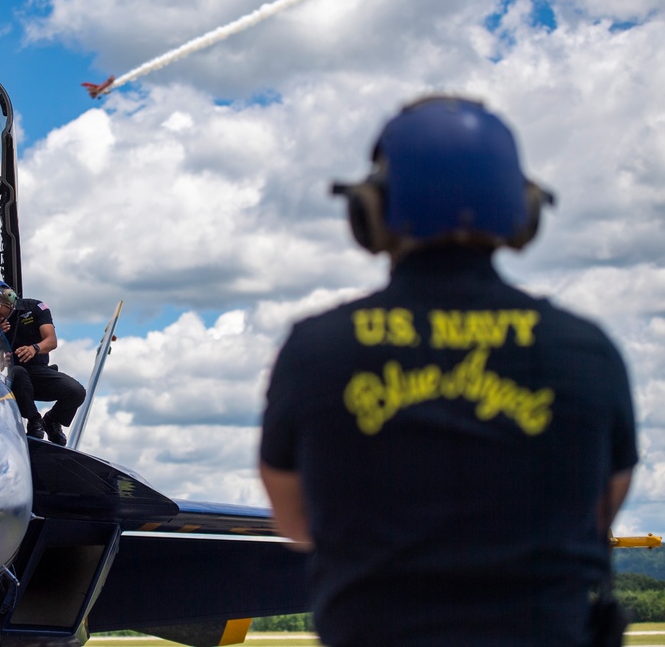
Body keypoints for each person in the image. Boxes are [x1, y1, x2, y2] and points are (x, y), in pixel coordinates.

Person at [259, 96, 637, 646]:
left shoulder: (315, 350)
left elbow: (296, 525)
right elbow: (600, 507)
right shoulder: (587, 349)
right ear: (524, 210)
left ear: (371, 210)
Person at [0, 279, 86, 446]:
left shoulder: (34, 308)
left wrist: (34, 348)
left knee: (76, 391)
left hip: (37, 372)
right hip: (8, 379)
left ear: (8, 299)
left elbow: (51, 341)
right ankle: (34, 420)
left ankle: (52, 420)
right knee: (18, 372)